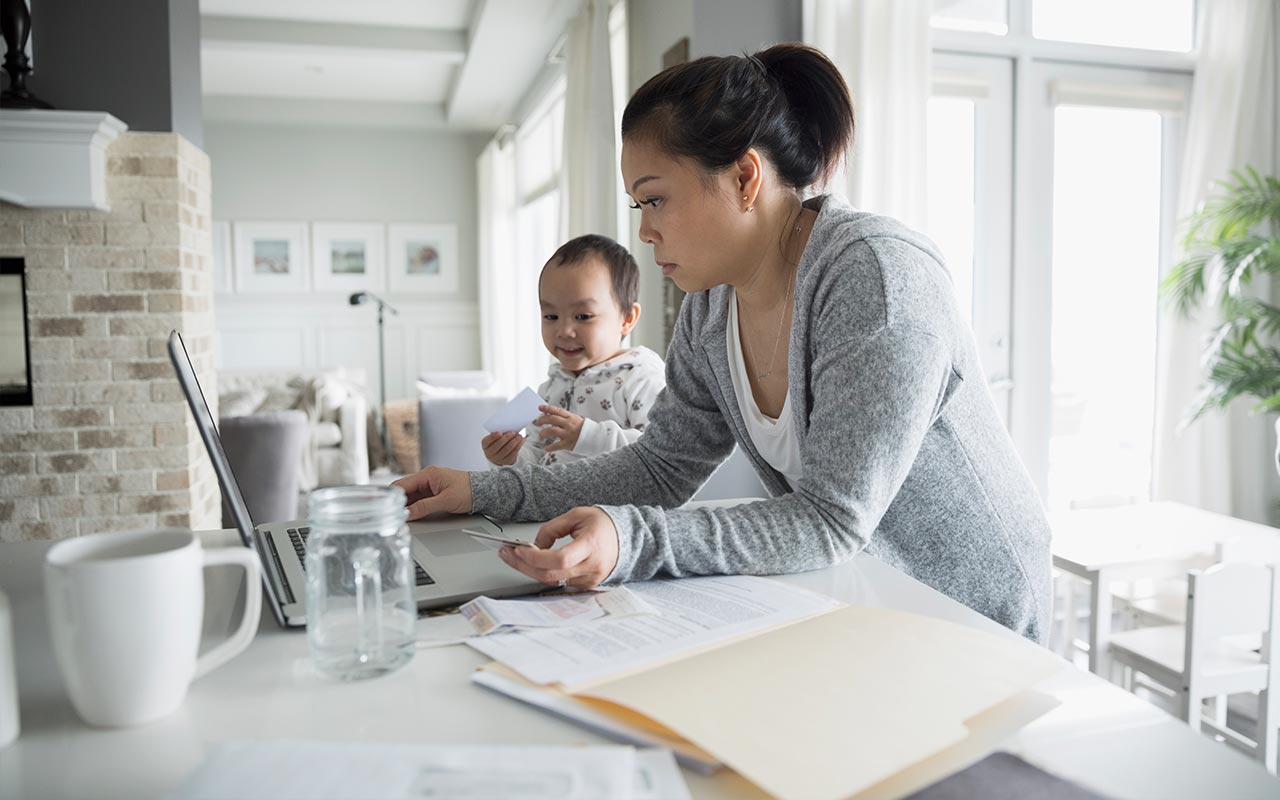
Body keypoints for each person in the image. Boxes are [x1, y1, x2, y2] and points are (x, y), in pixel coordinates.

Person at [395, 43, 1052, 642]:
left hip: (975, 614)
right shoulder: (710, 306)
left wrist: (631, 540)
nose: (645, 233)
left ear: (744, 178)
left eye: (654, 200)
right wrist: (484, 492)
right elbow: (659, 468)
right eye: (637, 207)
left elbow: (830, 520)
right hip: (869, 597)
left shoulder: (874, 275)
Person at [481, 234, 666, 467]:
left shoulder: (641, 378)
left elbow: (661, 452)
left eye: (583, 316)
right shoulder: (550, 389)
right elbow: (539, 455)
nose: (564, 330)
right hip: (553, 501)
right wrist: (510, 458)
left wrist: (587, 437)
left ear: (627, 319)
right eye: (551, 316)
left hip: (613, 503)